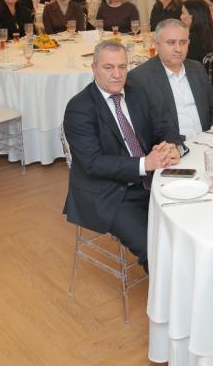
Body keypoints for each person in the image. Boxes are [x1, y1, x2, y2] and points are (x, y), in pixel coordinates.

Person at [62, 40, 183, 270]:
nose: (117, 75)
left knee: (189, 229)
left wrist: (172, 147)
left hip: (153, 182)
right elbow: (92, 163)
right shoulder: (79, 108)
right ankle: (169, 292)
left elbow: (165, 129)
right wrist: (144, 163)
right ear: (94, 68)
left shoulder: (137, 94)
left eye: (122, 67)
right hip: (111, 194)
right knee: (155, 249)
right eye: (108, 67)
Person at [128, 19, 213, 138]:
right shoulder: (140, 78)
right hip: (172, 146)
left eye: (183, 42)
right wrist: (178, 146)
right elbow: (144, 127)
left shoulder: (197, 68)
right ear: (157, 44)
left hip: (208, 141)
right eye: (171, 42)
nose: (178, 49)